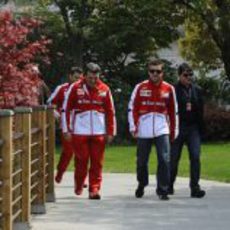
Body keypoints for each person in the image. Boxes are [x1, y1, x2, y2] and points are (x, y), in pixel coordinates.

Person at [62, 62, 116, 199]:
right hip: (80, 132)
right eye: (90, 78)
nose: (93, 81)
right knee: (82, 160)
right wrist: (66, 129)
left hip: (99, 132)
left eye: (95, 78)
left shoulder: (105, 89)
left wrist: (111, 131)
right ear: (84, 76)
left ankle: (94, 189)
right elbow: (65, 109)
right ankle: (79, 183)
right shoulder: (75, 88)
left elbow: (110, 112)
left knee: (97, 162)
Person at [128, 59, 178, 200]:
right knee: (141, 161)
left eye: (158, 71)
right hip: (144, 129)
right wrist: (133, 126)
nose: (155, 74)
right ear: (148, 72)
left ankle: (162, 189)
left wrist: (174, 130)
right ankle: (142, 183)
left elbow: (174, 112)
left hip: (162, 129)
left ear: (163, 72)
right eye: (152, 71)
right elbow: (132, 108)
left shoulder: (169, 88)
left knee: (164, 159)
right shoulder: (140, 87)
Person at [169, 63, 206, 198]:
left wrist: (202, 129)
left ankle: (195, 188)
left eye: (191, 74)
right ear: (179, 76)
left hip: (193, 128)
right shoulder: (172, 90)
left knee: (195, 157)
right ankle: (169, 185)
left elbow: (201, 111)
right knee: (173, 159)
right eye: (185, 75)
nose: (189, 77)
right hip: (178, 127)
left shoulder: (197, 90)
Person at [47, 66, 82, 183]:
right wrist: (57, 114)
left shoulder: (84, 89)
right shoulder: (62, 89)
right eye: (76, 77)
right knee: (68, 151)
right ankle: (60, 173)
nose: (78, 80)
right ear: (70, 76)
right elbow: (50, 103)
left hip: (82, 126)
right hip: (66, 125)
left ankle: (81, 178)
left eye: (80, 78)